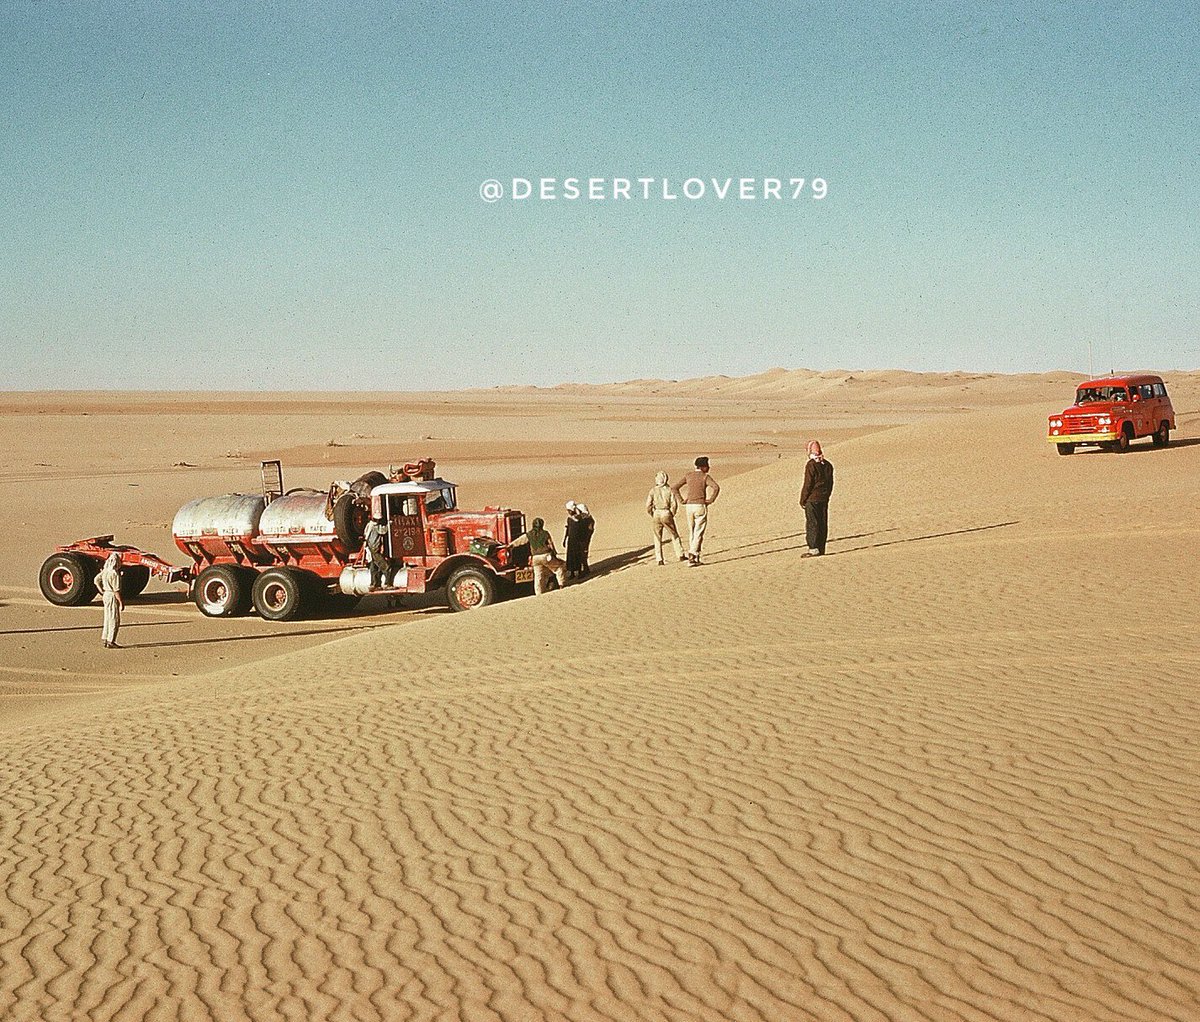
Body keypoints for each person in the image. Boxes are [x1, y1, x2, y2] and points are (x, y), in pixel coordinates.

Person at [671, 456, 720, 566]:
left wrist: (681, 500)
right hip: (700, 505)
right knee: (699, 531)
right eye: (707, 466)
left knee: (692, 531)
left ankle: (695, 557)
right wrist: (711, 500)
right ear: (703, 467)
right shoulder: (705, 477)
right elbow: (716, 487)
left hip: (689, 506)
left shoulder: (688, 475)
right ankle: (692, 554)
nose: (709, 467)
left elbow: (674, 488)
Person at [508, 517, 567, 594]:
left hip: (535, 558)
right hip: (546, 556)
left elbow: (519, 541)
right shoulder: (545, 533)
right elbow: (551, 544)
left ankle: (539, 593)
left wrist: (510, 545)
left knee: (538, 576)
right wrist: (554, 553)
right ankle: (562, 585)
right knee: (558, 568)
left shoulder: (529, 535)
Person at [799, 440, 834, 557]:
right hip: (823, 498)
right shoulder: (828, 465)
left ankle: (814, 549)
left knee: (813, 524)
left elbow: (808, 484)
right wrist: (826, 495)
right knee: (822, 523)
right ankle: (821, 548)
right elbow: (830, 483)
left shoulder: (811, 465)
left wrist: (803, 499)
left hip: (813, 499)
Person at [646, 470, 685, 565]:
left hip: (657, 513)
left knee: (657, 537)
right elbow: (674, 504)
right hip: (666, 512)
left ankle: (659, 559)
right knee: (674, 534)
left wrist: (652, 513)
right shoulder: (669, 490)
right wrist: (671, 514)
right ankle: (680, 554)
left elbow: (648, 505)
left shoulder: (653, 490)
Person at [94, 552, 124, 649]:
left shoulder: (105, 571)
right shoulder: (114, 573)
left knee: (107, 617)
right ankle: (111, 640)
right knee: (114, 618)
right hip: (111, 595)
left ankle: (105, 638)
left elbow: (96, 580)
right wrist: (121, 602)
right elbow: (116, 590)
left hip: (106, 594)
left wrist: (101, 590)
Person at [563, 500, 596, 579]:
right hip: (573, 540)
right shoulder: (571, 519)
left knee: (581, 554)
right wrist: (565, 539)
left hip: (581, 539)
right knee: (571, 556)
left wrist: (585, 539)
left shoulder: (583, 518)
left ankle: (583, 570)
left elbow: (588, 529)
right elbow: (568, 529)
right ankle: (572, 572)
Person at [364, 511, 389, 589]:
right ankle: (387, 584)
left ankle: (374, 584)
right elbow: (383, 531)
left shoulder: (369, 525)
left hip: (371, 549)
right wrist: (389, 525)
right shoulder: (375, 526)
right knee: (386, 567)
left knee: (374, 567)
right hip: (374, 549)